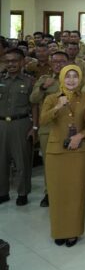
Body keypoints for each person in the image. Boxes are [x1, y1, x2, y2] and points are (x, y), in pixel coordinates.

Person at [40, 65, 85, 246]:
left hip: (78, 151)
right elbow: (43, 120)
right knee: (57, 192)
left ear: (80, 79)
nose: (71, 80)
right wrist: (58, 106)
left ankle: (73, 232)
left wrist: (81, 135)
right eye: (68, 76)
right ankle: (59, 231)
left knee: (76, 193)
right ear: (62, 78)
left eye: (75, 76)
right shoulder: (51, 98)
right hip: (56, 152)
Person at [30, 51, 70, 207]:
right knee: (49, 163)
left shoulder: (74, 79)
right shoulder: (44, 79)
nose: (58, 64)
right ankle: (49, 192)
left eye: (62, 61)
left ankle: (66, 190)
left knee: (67, 162)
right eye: (55, 61)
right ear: (51, 63)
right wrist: (43, 87)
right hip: (49, 128)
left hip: (69, 128)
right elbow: (33, 99)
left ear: (68, 63)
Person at [0, 48, 35, 206]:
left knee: (22, 161)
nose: (11, 64)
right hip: (1, 124)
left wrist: (34, 127)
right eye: (7, 61)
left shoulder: (29, 81)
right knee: (1, 161)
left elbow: (34, 106)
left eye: (14, 61)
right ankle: (3, 192)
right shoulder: (1, 79)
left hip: (21, 123)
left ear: (22, 62)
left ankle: (22, 193)